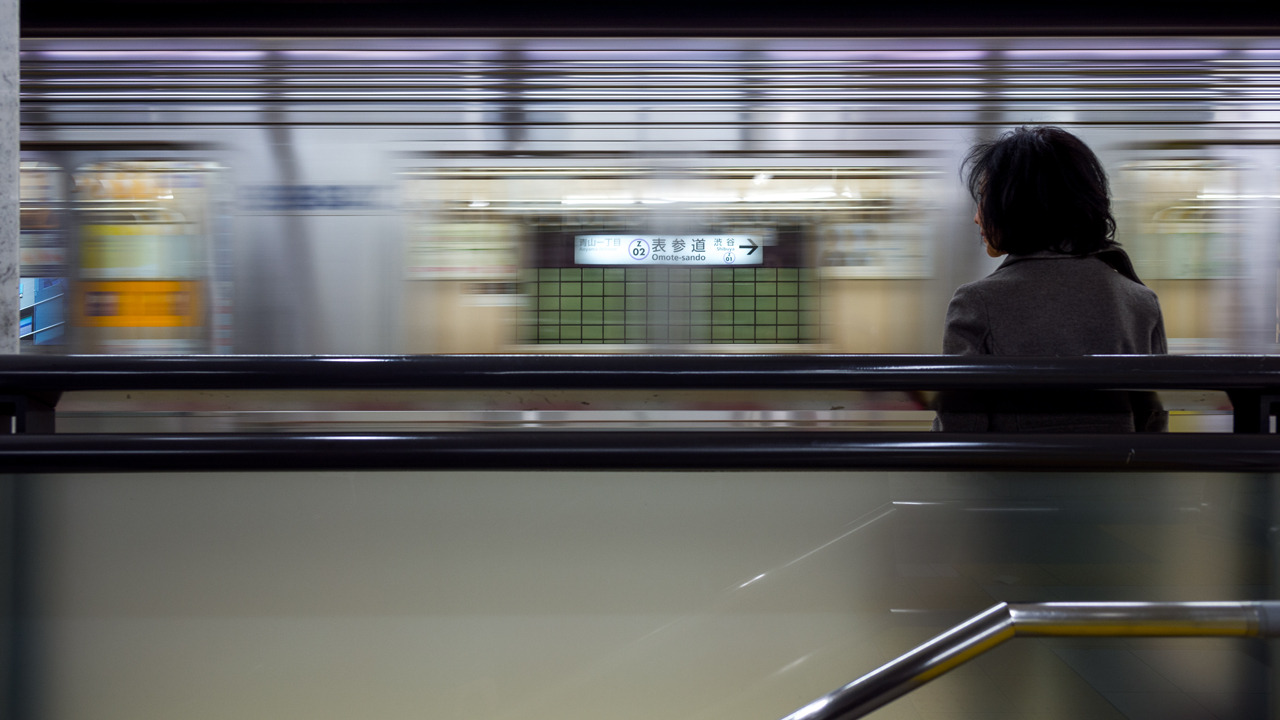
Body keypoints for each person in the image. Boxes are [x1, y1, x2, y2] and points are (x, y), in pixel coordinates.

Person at [933, 126, 1167, 432]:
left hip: (1015, 478)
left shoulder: (975, 303)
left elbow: (960, 428)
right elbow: (1150, 420)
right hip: (1113, 475)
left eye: (985, 197)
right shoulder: (1139, 300)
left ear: (1016, 203)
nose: (977, 216)